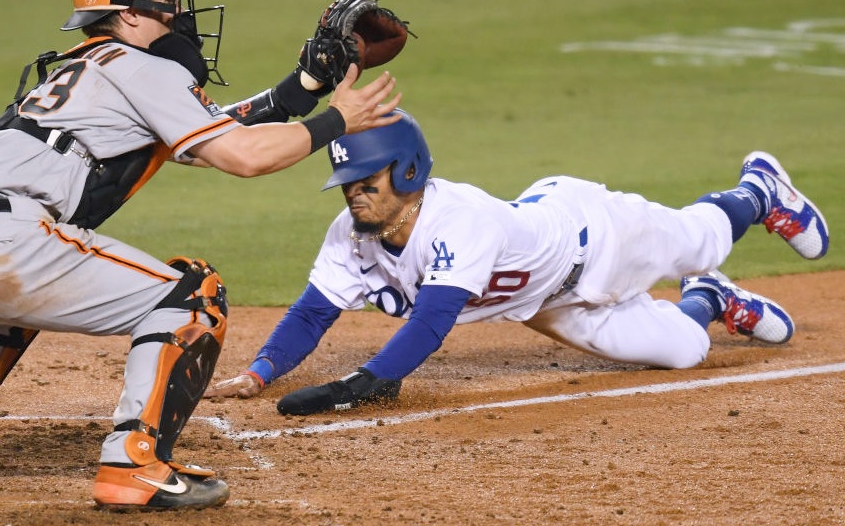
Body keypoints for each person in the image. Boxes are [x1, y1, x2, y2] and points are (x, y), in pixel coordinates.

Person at [0, 0, 403, 511]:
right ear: (131, 12)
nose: (183, 15)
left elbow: (209, 130)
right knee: (194, 299)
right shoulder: (142, 68)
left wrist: (304, 88)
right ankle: (132, 463)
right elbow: (244, 156)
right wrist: (339, 118)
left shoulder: (90, 69)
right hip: (3, 243)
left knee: (3, 303)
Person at [205, 110, 830, 415]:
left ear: (408, 171)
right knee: (685, 352)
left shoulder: (460, 221)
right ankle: (712, 298)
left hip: (599, 232)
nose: (353, 191)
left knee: (703, 239)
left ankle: (759, 190)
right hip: (549, 305)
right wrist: (259, 373)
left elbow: (429, 325)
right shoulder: (351, 233)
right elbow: (313, 314)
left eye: (368, 179)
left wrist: (364, 384)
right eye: (347, 181)